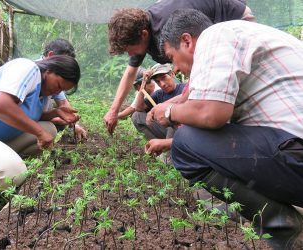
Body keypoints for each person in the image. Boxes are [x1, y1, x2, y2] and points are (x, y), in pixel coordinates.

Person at [148, 9, 303, 249]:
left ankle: (289, 234)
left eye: (171, 57)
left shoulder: (214, 36)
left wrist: (169, 112)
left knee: (186, 145)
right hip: (292, 150)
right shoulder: (250, 35)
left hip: (296, 153)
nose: (176, 69)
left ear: (187, 41)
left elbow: (211, 114)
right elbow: (200, 103)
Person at [103, 0, 255, 134]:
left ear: (144, 35)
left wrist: (179, 108)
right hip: (210, 32)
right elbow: (130, 73)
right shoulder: (142, 33)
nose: (130, 54)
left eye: (130, 49)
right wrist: (113, 111)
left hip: (235, 17)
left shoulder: (168, 27)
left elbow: (200, 62)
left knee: (238, 90)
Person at [0, 55, 81, 204]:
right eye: (58, 85)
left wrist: (55, 113)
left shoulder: (44, 94)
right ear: (50, 70)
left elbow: (29, 117)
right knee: (13, 172)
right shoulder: (26, 68)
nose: (56, 92)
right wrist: (40, 133)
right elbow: (0, 105)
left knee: (49, 129)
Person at [42, 38, 87, 141]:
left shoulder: (54, 74)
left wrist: (75, 125)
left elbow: (63, 102)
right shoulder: (34, 72)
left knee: (62, 120)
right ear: (51, 56)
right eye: (64, 63)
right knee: (50, 128)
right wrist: (52, 119)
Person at [132, 63, 184, 140]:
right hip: (165, 129)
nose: (162, 84)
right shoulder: (158, 94)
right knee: (136, 116)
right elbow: (139, 108)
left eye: (164, 78)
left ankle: (169, 147)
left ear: (172, 74)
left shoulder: (184, 89)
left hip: (183, 130)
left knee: (170, 117)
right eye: (158, 81)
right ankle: (157, 146)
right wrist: (143, 83)